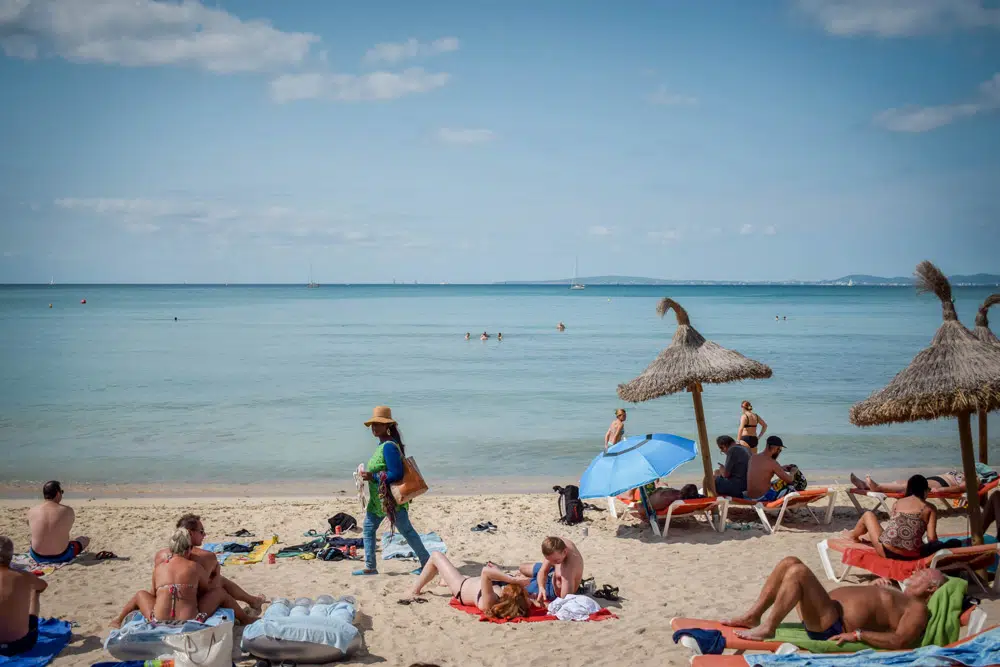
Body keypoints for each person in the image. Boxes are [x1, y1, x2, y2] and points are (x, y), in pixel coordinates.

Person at [722, 556, 945, 648]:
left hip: (833, 626)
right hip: (825, 610)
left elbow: (900, 640)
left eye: (924, 573)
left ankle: (769, 627)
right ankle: (753, 616)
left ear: (931, 588)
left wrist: (858, 635)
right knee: (790, 561)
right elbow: (876, 606)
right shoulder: (899, 594)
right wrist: (878, 588)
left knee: (799, 572)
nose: (917, 571)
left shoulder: (917, 609)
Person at [112, 528, 252, 627]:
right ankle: (245, 619)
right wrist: (216, 573)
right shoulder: (194, 567)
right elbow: (207, 591)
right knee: (220, 593)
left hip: (157, 620)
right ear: (189, 548)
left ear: (171, 549)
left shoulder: (159, 568)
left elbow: (153, 595)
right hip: (191, 620)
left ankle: (117, 621)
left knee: (140, 594)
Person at [354, 406, 430, 576]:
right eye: (373, 424)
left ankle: (426, 562)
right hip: (378, 500)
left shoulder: (388, 446)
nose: (374, 427)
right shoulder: (381, 445)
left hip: (390, 500)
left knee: (407, 531)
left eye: (378, 424)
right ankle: (370, 566)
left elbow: (396, 474)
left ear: (387, 426)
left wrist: (372, 476)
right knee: (368, 528)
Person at [154, 514, 265, 610]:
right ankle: (251, 605)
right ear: (190, 533)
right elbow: (210, 588)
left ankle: (252, 601)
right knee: (220, 580)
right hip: (192, 606)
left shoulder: (160, 555)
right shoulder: (205, 557)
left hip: (166, 604)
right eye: (201, 531)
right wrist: (217, 570)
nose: (204, 535)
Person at [411, 552, 532, 619]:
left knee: (435, 556)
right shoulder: (522, 602)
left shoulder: (490, 601)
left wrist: (512, 579)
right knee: (447, 576)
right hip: (474, 582)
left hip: (461, 585)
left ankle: (414, 590)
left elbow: (485, 572)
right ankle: (444, 581)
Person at [847, 476, 938, 560]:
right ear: (924, 490)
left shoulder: (897, 503)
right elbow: (932, 538)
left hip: (888, 552)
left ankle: (853, 536)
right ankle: (860, 534)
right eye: (928, 490)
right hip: (913, 555)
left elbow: (893, 529)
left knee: (868, 514)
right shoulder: (930, 508)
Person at [0, 536, 48, 657]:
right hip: (21, 644)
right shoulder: (24, 576)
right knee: (35, 590)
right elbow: (43, 586)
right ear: (11, 556)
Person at [27, 481, 89, 563]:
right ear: (58, 493)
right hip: (61, 556)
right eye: (62, 492)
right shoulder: (67, 510)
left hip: (37, 556)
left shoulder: (32, 511)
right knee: (85, 540)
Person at [518, 536, 583, 604]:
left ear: (565, 552)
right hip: (552, 573)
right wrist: (541, 587)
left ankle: (529, 580)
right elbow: (543, 571)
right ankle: (530, 579)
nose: (552, 563)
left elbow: (565, 601)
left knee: (520, 588)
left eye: (556, 560)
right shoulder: (557, 544)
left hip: (551, 589)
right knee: (522, 568)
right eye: (549, 560)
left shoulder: (568, 570)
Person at [851, 470, 967, 494]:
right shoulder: (966, 471)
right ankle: (866, 485)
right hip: (934, 479)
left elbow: (961, 488)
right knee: (900, 482)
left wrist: (941, 490)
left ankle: (878, 487)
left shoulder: (974, 478)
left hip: (942, 483)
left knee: (908, 486)